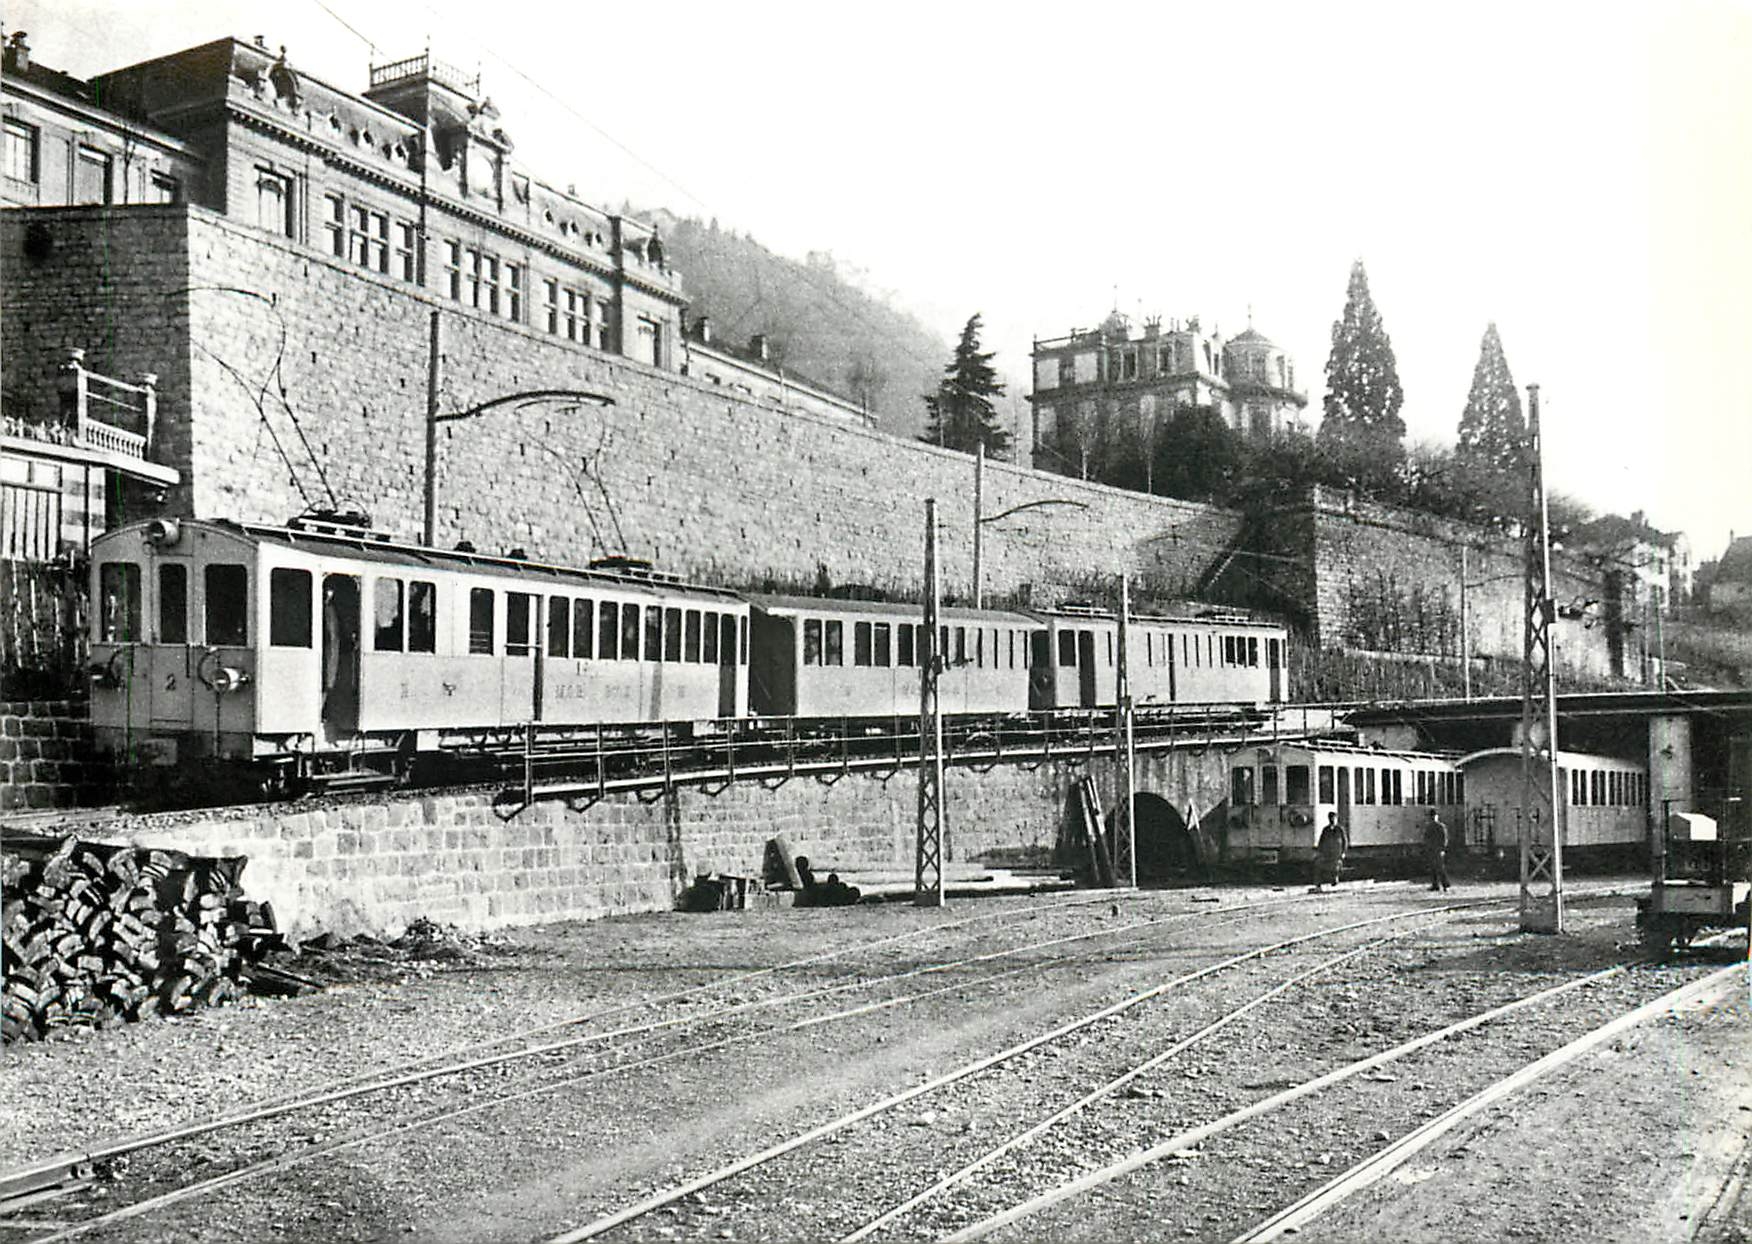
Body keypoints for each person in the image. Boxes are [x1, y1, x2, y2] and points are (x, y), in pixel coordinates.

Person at [1313, 811, 1347, 891]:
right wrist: (1319, 851)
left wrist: (1343, 852)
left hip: (1337, 852)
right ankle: (1318, 884)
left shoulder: (1340, 829)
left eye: (1334, 818)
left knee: (1336, 867)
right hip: (1327, 852)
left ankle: (1335, 879)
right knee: (1320, 866)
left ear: (1336, 819)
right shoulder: (1326, 829)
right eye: (1331, 818)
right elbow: (1321, 841)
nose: (1332, 820)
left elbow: (1344, 841)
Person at [1423, 809, 1451, 892]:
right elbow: (1426, 838)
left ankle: (1444, 884)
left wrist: (1443, 849)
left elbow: (1444, 839)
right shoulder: (1433, 826)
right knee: (1433, 868)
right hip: (1433, 849)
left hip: (1437, 849)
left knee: (1439, 867)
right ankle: (1436, 885)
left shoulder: (1439, 826)